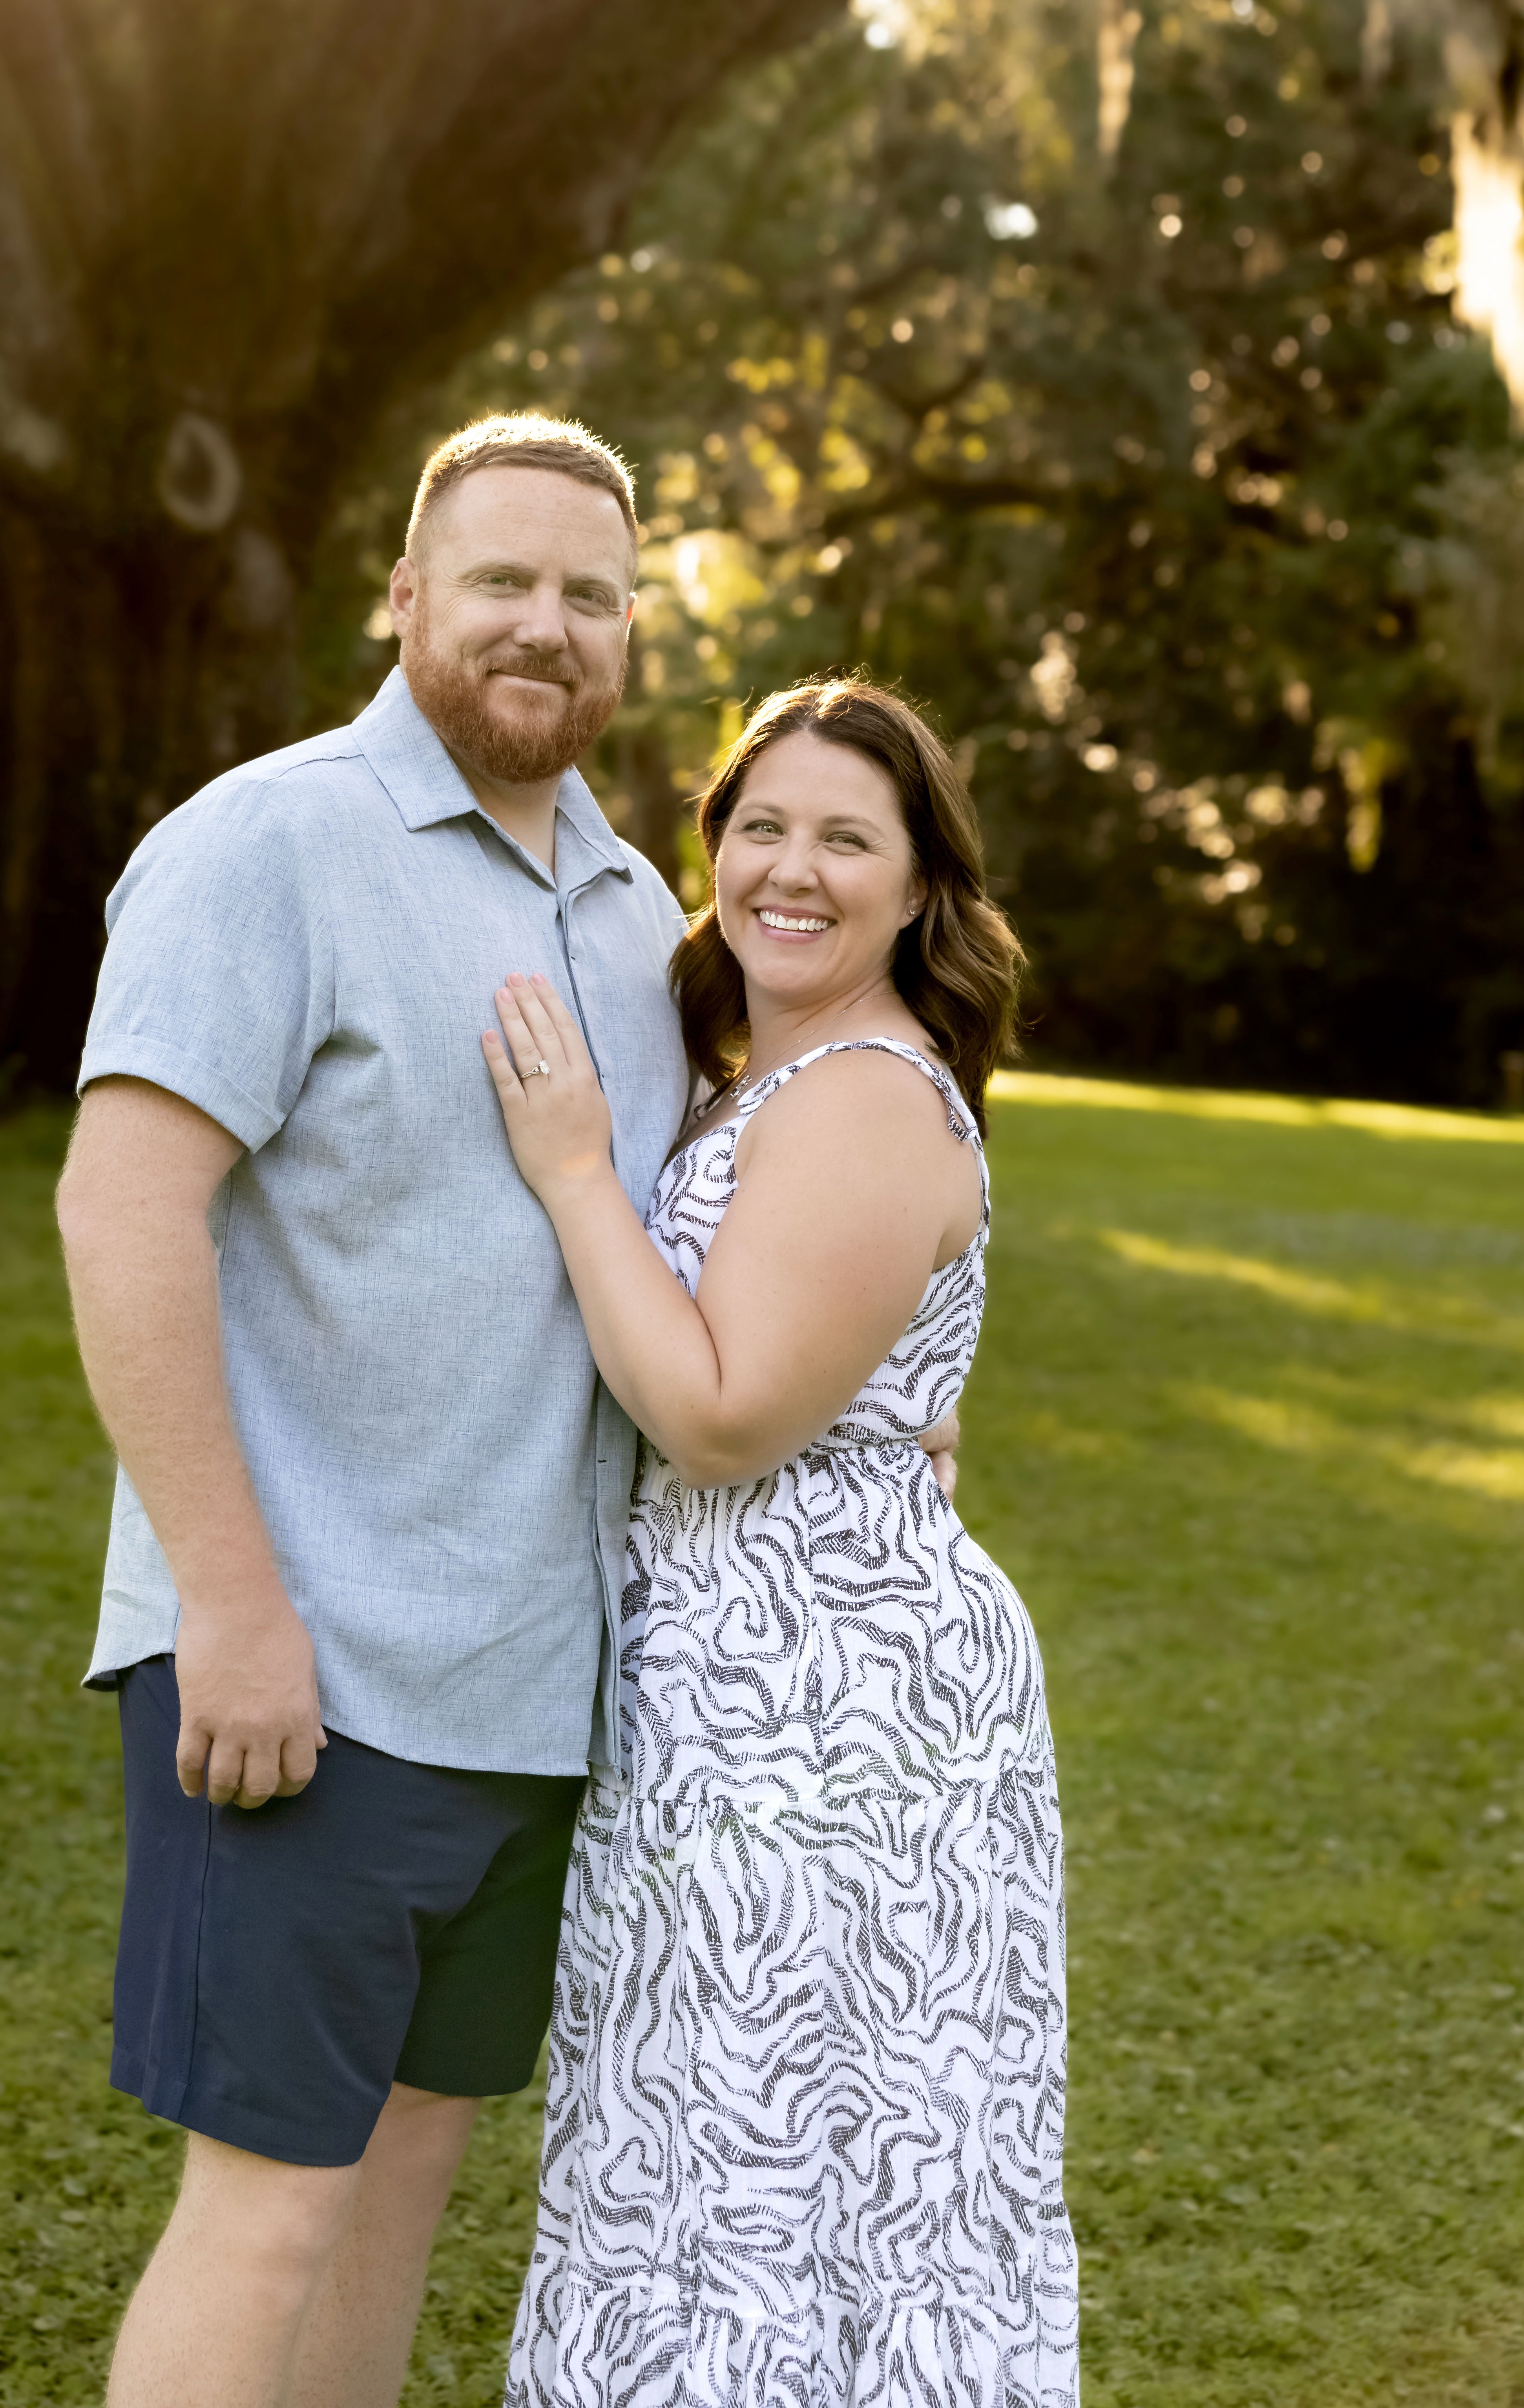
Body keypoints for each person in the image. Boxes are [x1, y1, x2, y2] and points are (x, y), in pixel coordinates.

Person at [55, 415, 692, 2408]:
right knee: (265, 2204)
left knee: (403, 2184)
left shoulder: (628, 907)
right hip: (305, 1671)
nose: (546, 625)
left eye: (591, 594)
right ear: (403, 597)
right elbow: (124, 1205)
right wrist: (227, 1604)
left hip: (529, 1692)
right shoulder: (269, 841)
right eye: (501, 579)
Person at [485, 678, 1078, 2406]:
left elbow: (728, 1413)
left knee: (789, 2169)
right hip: (751, 1692)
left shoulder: (867, 1092)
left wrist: (576, 1168)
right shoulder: (784, 1072)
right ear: (712, 845)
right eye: (760, 825)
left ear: (918, 887)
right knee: (708, 2152)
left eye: (846, 837)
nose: (792, 868)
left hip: (837, 1720)